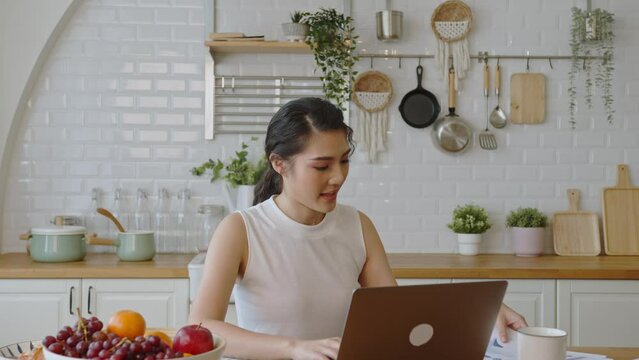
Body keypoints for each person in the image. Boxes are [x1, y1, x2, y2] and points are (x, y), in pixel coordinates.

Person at [189, 97, 527, 360]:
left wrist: (476, 314)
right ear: (280, 164)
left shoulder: (356, 225)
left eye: (344, 160)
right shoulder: (241, 230)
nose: (338, 177)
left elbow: (397, 314)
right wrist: (294, 348)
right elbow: (199, 327)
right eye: (322, 166)